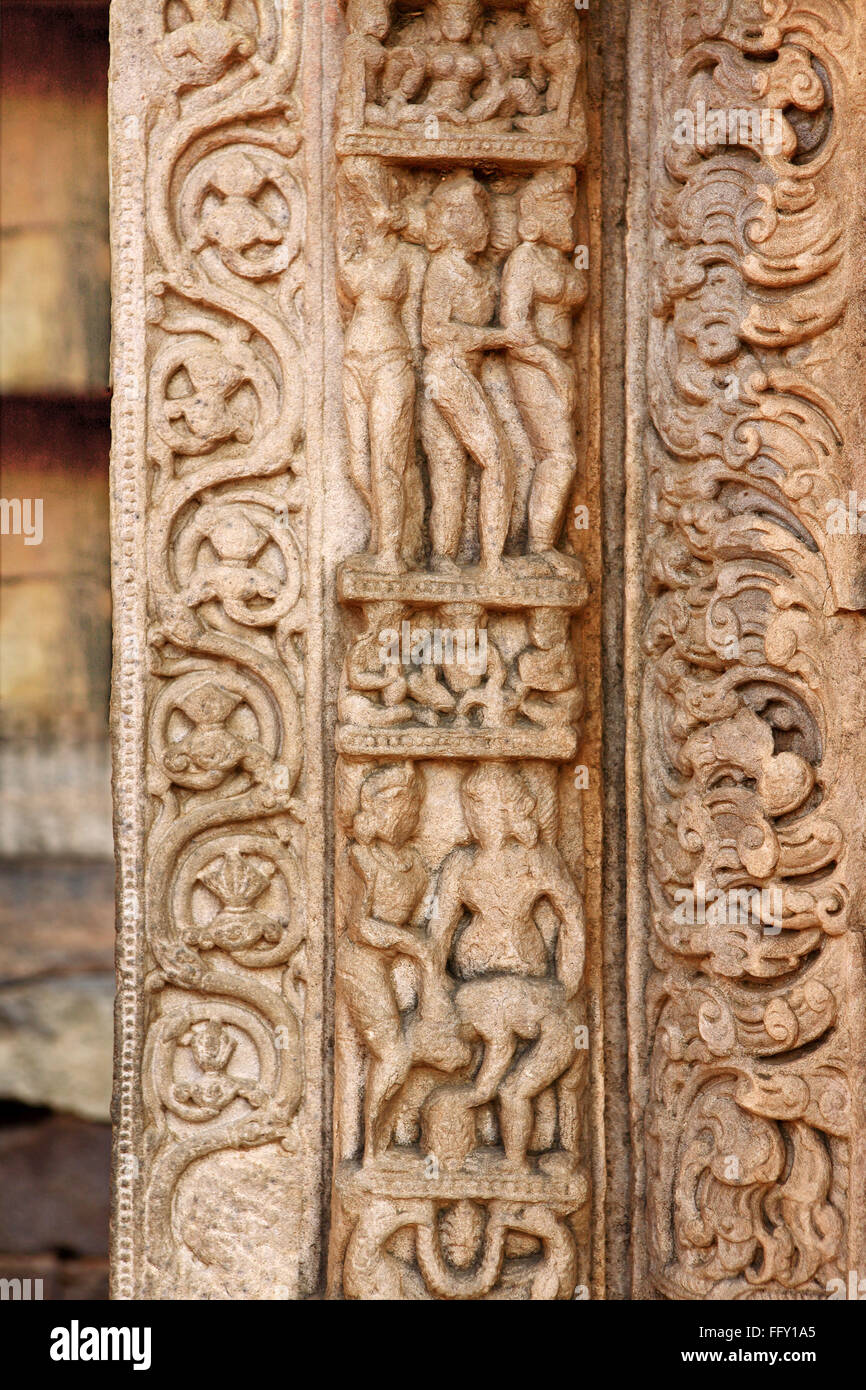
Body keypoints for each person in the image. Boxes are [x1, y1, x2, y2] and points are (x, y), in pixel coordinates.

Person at [420, 175, 530, 572]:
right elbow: (433, 332)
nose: (482, 222)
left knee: (451, 467)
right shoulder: (444, 269)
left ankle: (446, 558)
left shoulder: (473, 271)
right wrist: (499, 338)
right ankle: (491, 562)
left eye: (483, 213)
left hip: (460, 374)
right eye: (471, 214)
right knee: (497, 459)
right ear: (449, 222)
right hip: (446, 373)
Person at [338, 158, 424, 571]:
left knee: (388, 459)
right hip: (354, 364)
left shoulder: (410, 259)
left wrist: (415, 372)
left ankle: (391, 554)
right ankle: (390, 533)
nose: (368, 211)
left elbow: (416, 321)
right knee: (359, 465)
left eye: (374, 202)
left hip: (392, 361)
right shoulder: (352, 256)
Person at [500, 167, 587, 570]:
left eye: (569, 207)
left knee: (552, 455)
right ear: (534, 219)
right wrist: (553, 366)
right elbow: (515, 329)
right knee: (559, 455)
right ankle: (537, 547)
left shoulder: (566, 261)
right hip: (532, 363)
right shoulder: (524, 259)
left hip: (564, 363)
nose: (568, 216)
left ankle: (534, 543)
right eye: (558, 208)